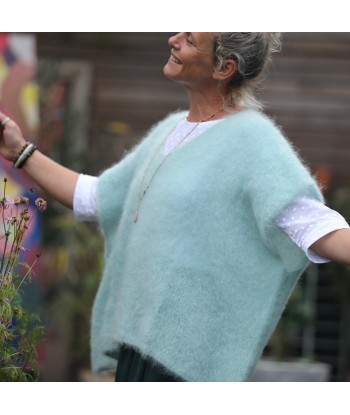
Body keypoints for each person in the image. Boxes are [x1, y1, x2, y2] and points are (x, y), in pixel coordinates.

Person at [1, 32, 350, 382]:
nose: (173, 39)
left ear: (223, 67)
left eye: (191, 40)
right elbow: (96, 197)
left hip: (183, 367)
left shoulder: (253, 141)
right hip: (136, 350)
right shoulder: (169, 130)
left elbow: (311, 222)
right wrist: (20, 151)